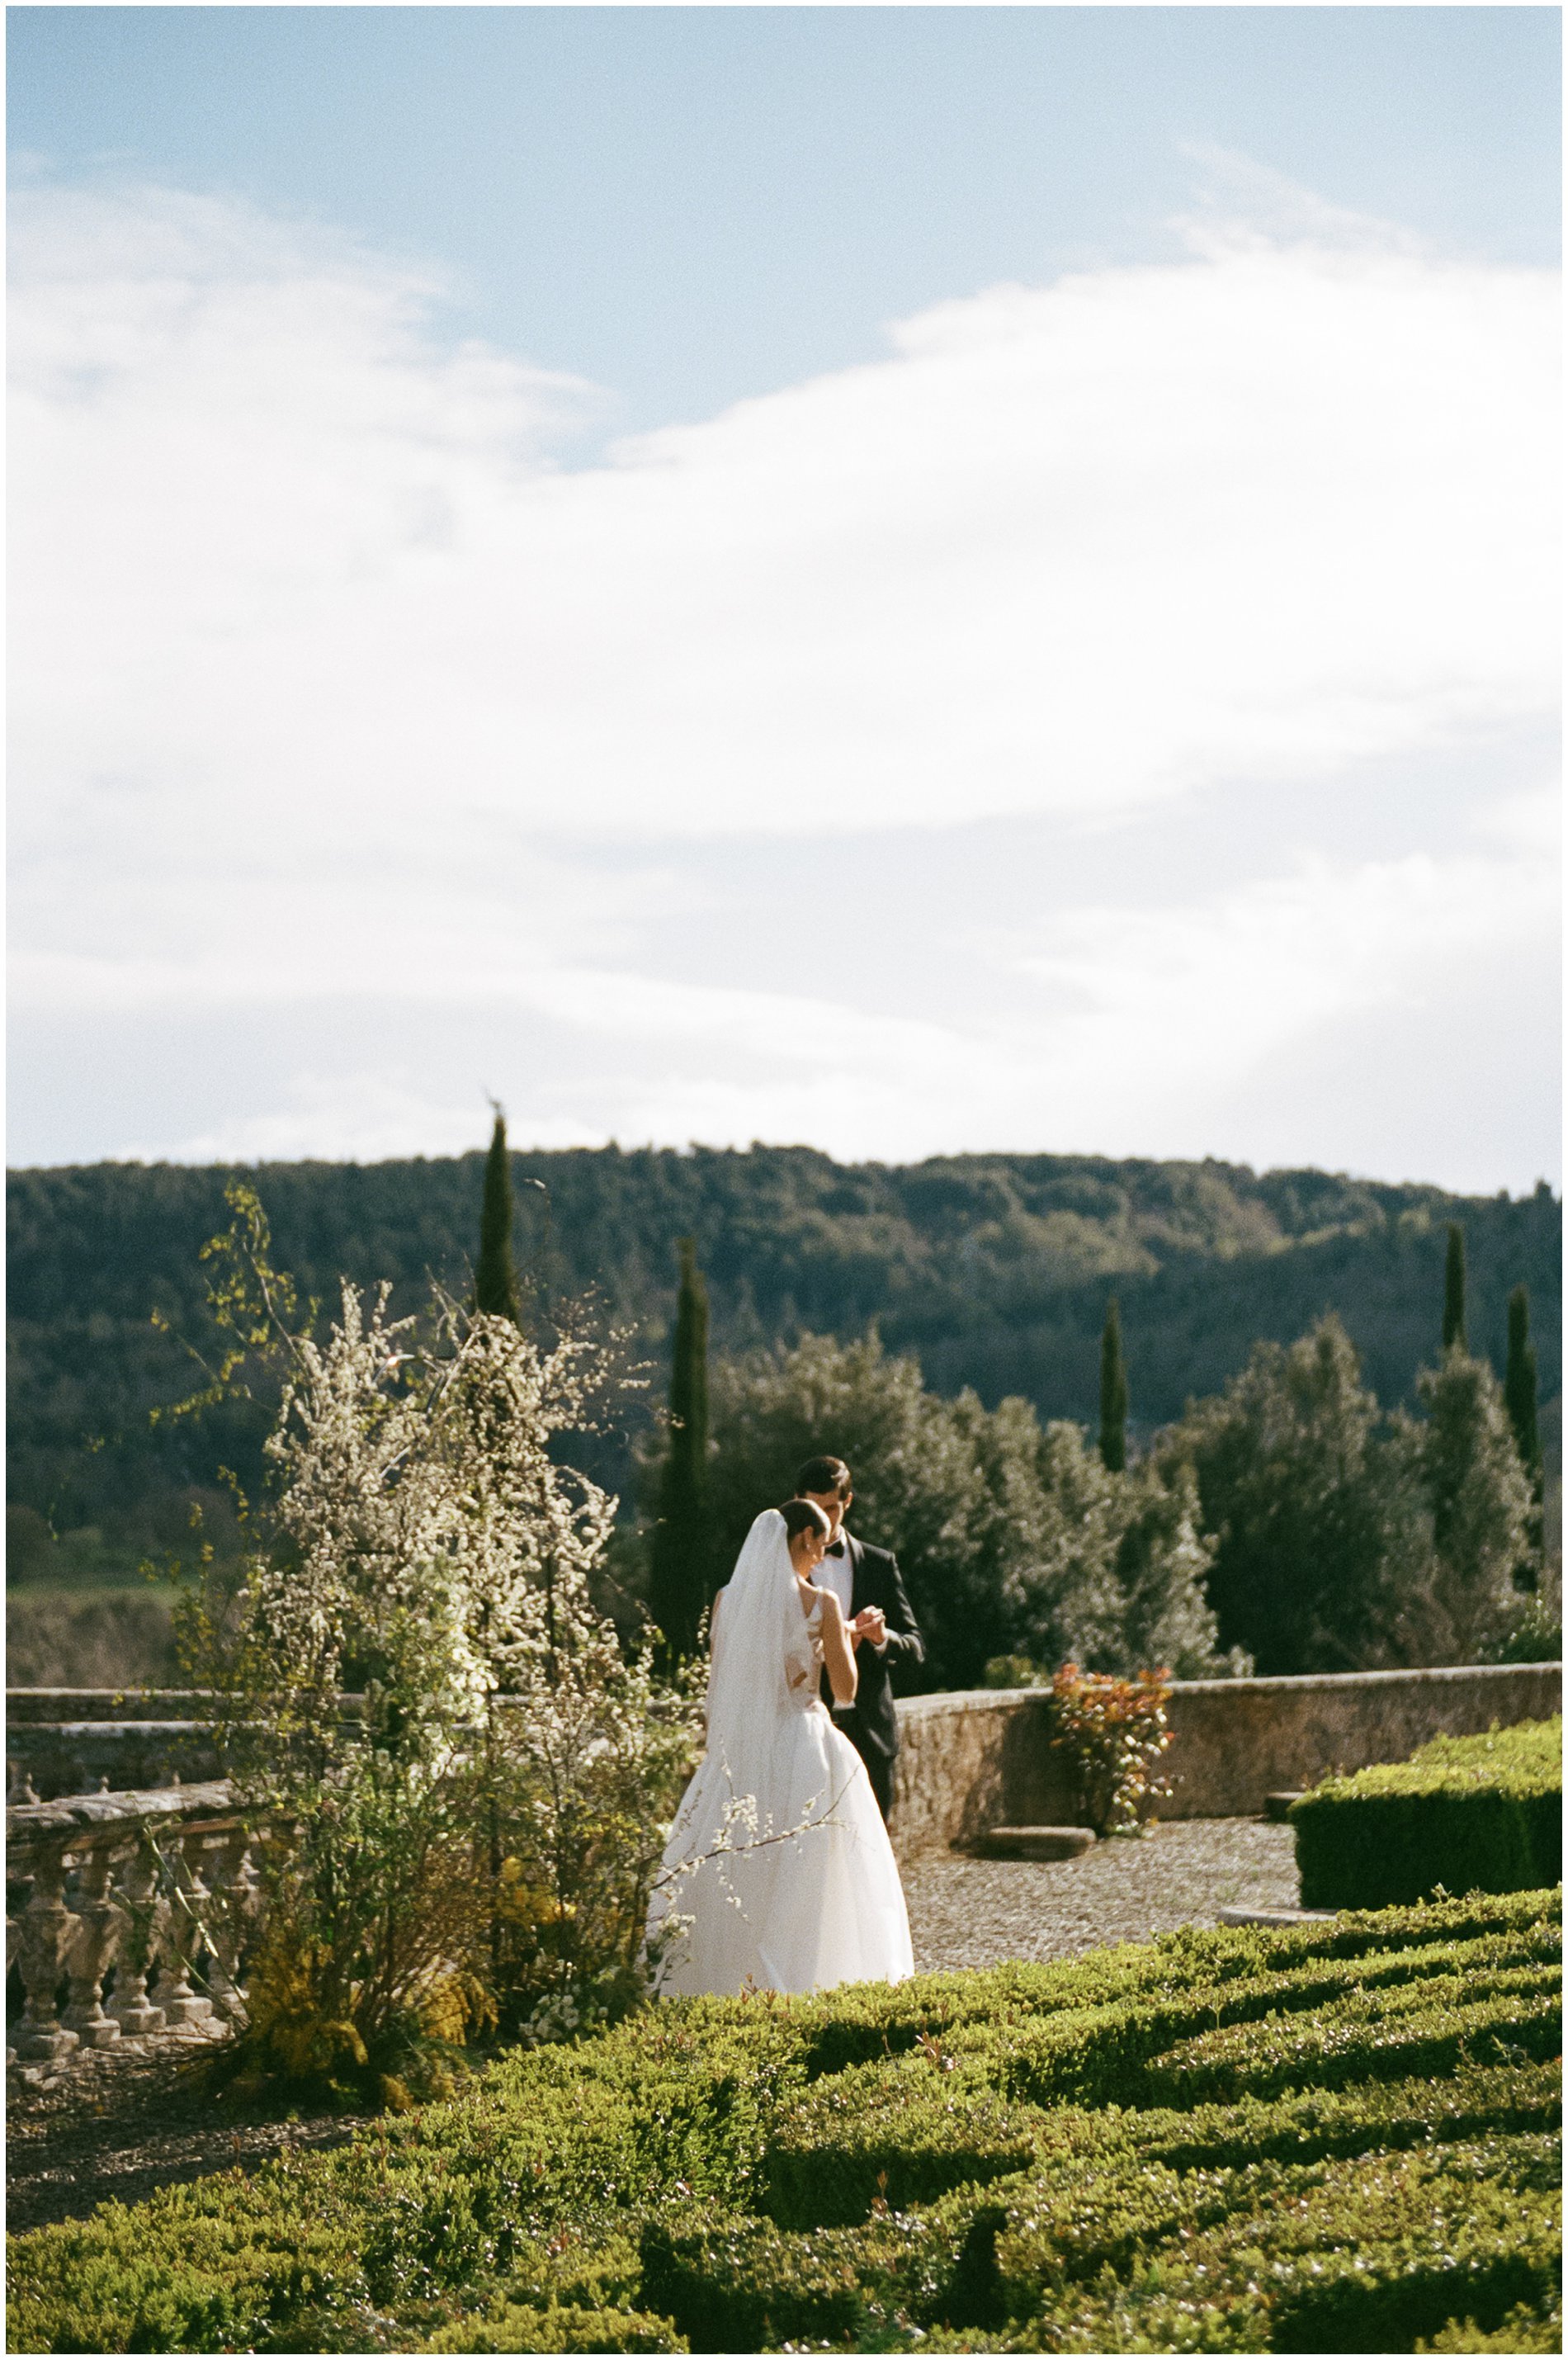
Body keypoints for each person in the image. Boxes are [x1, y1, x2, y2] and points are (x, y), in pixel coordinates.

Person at [647, 1498, 914, 1997]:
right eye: (821, 1546)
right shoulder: (822, 1604)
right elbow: (846, 1690)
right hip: (804, 1743)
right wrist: (845, 1640)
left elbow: (729, 1676)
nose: (821, 1557)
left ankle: (724, 1979)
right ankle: (809, 1973)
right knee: (810, 1864)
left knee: (735, 1862)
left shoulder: (729, 1600)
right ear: (805, 1539)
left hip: (742, 1748)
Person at [796, 1455, 924, 1822]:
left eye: (832, 1508)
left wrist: (882, 1638)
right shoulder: (781, 1573)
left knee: (873, 1855)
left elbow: (916, 1649)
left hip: (871, 1735)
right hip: (807, 1735)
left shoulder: (879, 1563)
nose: (823, 1518)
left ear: (847, 1502)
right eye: (814, 1508)